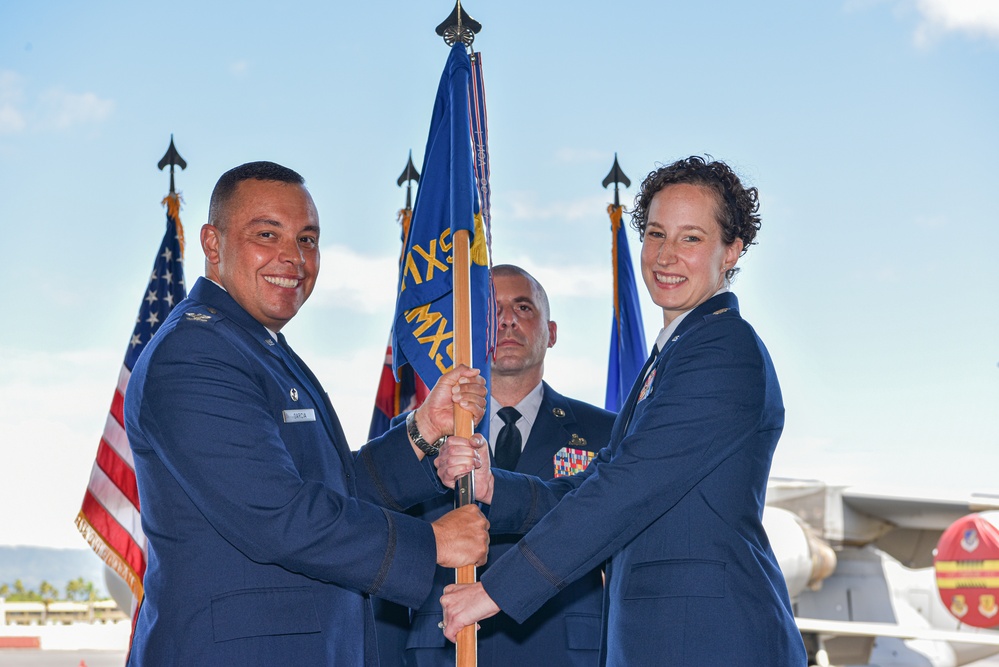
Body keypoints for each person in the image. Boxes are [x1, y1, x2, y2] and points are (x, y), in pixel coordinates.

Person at [438, 156, 808, 665]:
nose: (666, 256)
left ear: (731, 251)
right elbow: (599, 480)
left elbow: (625, 491)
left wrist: (493, 592)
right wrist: (496, 487)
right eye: (656, 234)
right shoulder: (676, 353)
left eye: (691, 238)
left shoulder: (723, 348)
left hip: (710, 641)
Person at [124, 161, 490, 666]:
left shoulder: (259, 347)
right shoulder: (194, 351)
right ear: (213, 244)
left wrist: (423, 428)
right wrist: (431, 542)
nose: (292, 258)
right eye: (266, 234)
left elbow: (328, 489)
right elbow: (276, 514)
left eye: (307, 239)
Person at [400, 265, 615, 667]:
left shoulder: (607, 432)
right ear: (470, 331)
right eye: (491, 308)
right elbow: (391, 545)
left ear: (551, 333)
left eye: (523, 307)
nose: (507, 319)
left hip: (562, 650)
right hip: (445, 647)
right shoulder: (419, 434)